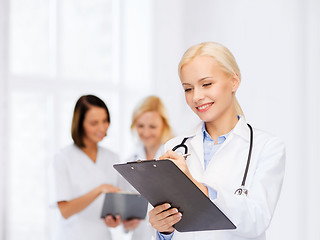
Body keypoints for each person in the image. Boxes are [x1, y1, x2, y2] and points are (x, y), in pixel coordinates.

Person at [148, 42, 285, 240]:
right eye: (188, 89)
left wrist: (201, 190)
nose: (196, 97)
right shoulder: (173, 148)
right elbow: (160, 225)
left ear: (234, 82)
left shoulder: (267, 147)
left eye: (206, 84)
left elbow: (257, 220)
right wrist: (163, 229)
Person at [49, 95, 133, 240]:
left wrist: (115, 220)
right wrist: (99, 190)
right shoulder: (63, 157)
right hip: (72, 235)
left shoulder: (113, 158)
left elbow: (118, 205)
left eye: (105, 120)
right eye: (94, 123)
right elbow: (65, 211)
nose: (102, 127)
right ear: (80, 124)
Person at [125, 95, 174, 240]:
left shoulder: (173, 156)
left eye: (152, 127)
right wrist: (125, 222)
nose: (146, 133)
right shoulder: (130, 160)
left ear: (164, 126)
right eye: (140, 126)